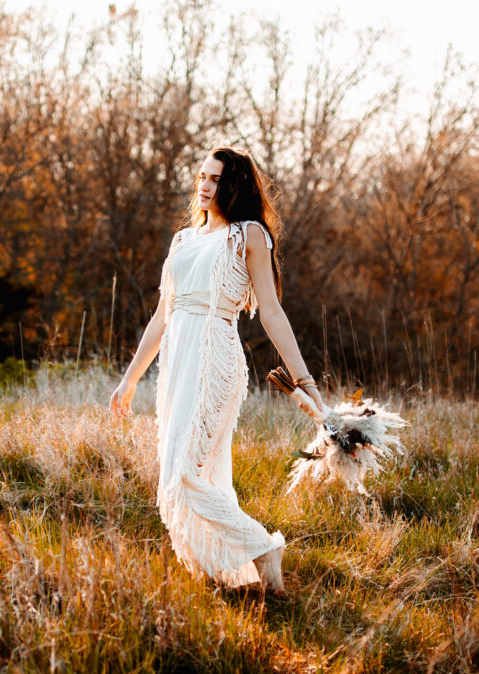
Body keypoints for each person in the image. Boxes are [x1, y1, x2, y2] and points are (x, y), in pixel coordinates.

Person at [109, 146, 325, 594]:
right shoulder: (184, 240)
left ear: (235, 186)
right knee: (179, 474)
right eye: (202, 178)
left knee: (186, 474)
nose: (205, 186)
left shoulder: (249, 235)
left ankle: (264, 548)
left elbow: (272, 312)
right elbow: (161, 316)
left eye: (215, 179)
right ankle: (229, 575)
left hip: (215, 360)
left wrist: (303, 379)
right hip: (177, 362)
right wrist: (129, 380)